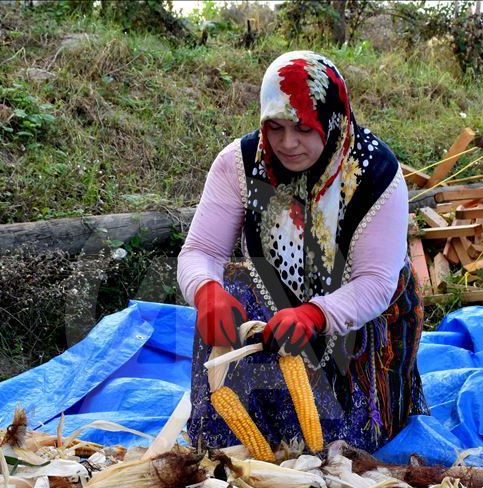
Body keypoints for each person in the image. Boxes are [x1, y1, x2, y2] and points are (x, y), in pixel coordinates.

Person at [177, 51, 427, 458]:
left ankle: (331, 428)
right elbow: (201, 250)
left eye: (303, 129)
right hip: (276, 304)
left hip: (359, 319)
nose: (287, 144)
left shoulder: (376, 173)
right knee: (234, 286)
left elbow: (376, 282)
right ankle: (228, 436)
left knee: (337, 450)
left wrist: (315, 315)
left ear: (332, 120)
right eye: (274, 127)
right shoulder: (238, 164)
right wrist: (206, 291)